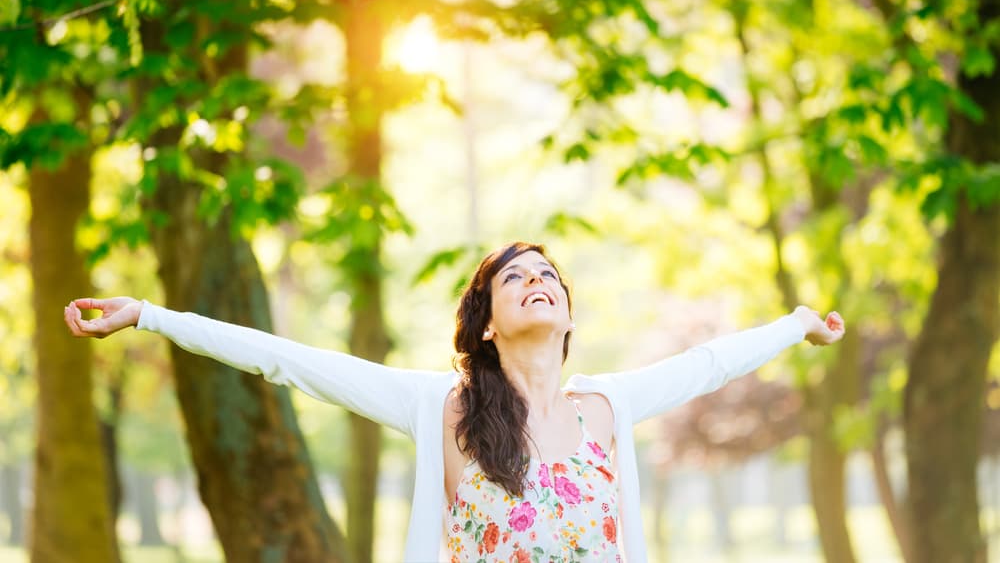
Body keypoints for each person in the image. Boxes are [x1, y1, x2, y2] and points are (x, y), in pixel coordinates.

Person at [64, 241, 844, 562]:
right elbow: (286, 361)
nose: (537, 280)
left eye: (548, 276)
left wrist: (798, 325)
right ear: (488, 323)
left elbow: (710, 364)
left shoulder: (609, 408)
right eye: (515, 278)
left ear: (567, 313)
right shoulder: (442, 407)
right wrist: (154, 316)